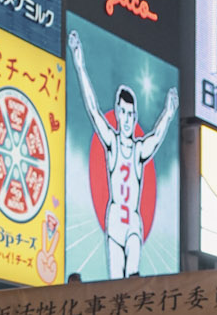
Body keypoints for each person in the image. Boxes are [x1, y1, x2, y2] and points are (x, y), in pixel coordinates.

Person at [67, 29, 179, 280]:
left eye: (131, 114)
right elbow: (93, 110)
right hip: (115, 221)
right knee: (115, 287)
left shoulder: (138, 149)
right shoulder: (112, 143)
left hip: (133, 224)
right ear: (117, 113)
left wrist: (169, 114)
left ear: (135, 116)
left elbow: (156, 137)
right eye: (123, 113)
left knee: (133, 277)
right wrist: (79, 65)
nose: (127, 119)